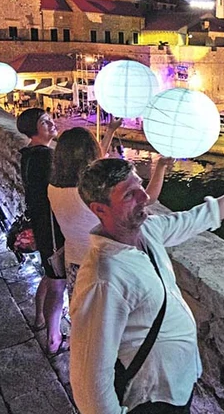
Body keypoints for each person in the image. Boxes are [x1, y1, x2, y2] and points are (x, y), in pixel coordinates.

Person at [71, 159, 224, 414]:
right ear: (99, 209)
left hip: (174, 390)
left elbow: (197, 218)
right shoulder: (103, 278)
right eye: (129, 194)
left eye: (140, 186)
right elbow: (88, 375)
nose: (144, 196)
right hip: (151, 404)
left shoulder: (147, 231)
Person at [48, 126, 170, 296]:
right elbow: (148, 198)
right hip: (102, 263)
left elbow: (98, 161)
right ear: (91, 152)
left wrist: (111, 130)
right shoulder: (88, 193)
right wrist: (161, 166)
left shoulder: (53, 187)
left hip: (74, 259)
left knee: (81, 306)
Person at [17, 108, 68, 355]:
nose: (51, 123)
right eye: (44, 121)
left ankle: (39, 318)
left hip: (41, 223)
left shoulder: (29, 154)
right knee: (57, 283)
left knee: (49, 275)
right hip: (51, 226)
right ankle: (53, 340)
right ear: (33, 129)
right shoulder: (45, 157)